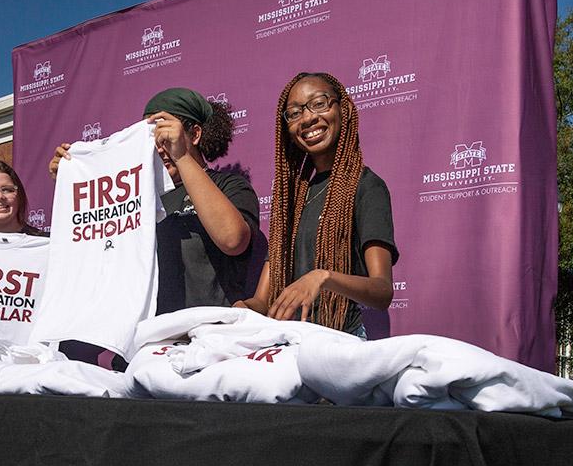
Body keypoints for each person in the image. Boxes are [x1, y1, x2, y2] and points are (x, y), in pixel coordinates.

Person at [49, 88, 258, 312]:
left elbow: (233, 240)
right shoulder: (137, 196)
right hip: (152, 330)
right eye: (151, 138)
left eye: (166, 136)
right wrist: (74, 180)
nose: (160, 147)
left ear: (195, 134)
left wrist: (181, 156)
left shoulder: (228, 185)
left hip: (212, 327)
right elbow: (98, 259)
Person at [237, 71, 397, 336]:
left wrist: (323, 277)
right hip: (288, 345)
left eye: (319, 103)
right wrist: (241, 310)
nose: (308, 118)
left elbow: (382, 291)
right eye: (294, 113)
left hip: (339, 342)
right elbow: (262, 302)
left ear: (343, 110)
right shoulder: (290, 199)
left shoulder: (366, 186)